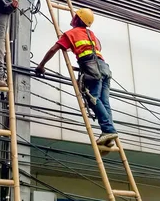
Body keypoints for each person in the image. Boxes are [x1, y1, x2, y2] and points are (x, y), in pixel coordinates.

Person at [35, 8, 118, 146]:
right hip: (104, 67)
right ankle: (109, 134)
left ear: (78, 19)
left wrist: (41, 65)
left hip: (91, 67)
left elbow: (53, 50)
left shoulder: (71, 34)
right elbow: (95, 50)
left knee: (93, 99)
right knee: (104, 102)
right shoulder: (92, 34)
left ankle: (109, 130)